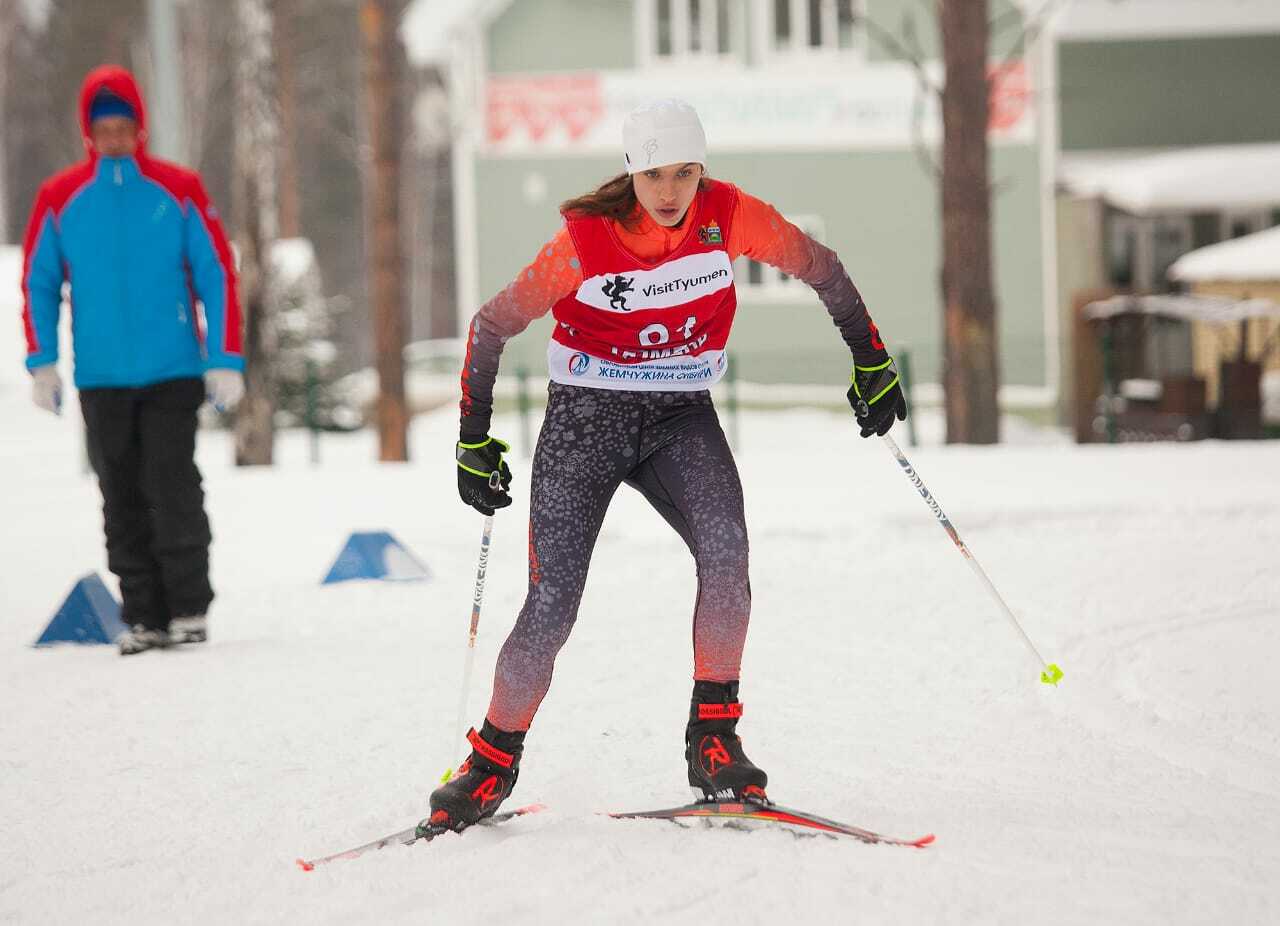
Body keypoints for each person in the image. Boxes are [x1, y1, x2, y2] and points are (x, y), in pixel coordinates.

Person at [430, 99, 906, 830]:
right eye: (655, 173)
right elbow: (492, 324)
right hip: (586, 419)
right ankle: (491, 764)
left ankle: (713, 741)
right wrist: (472, 437)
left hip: (679, 414)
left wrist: (871, 359)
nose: (671, 190)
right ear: (631, 171)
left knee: (727, 553)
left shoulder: (729, 215)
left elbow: (824, 268)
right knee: (552, 603)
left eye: (686, 171)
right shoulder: (586, 241)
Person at [20, 65, 244, 656]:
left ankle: (189, 606)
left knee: (171, 484)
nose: (114, 136)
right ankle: (143, 613)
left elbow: (216, 273)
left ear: (140, 127)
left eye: (124, 125)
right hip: (102, 376)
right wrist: (42, 360)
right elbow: (39, 281)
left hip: (173, 369)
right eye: (104, 127)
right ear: (88, 132)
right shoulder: (61, 197)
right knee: (119, 493)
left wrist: (224, 357)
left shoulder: (179, 188)